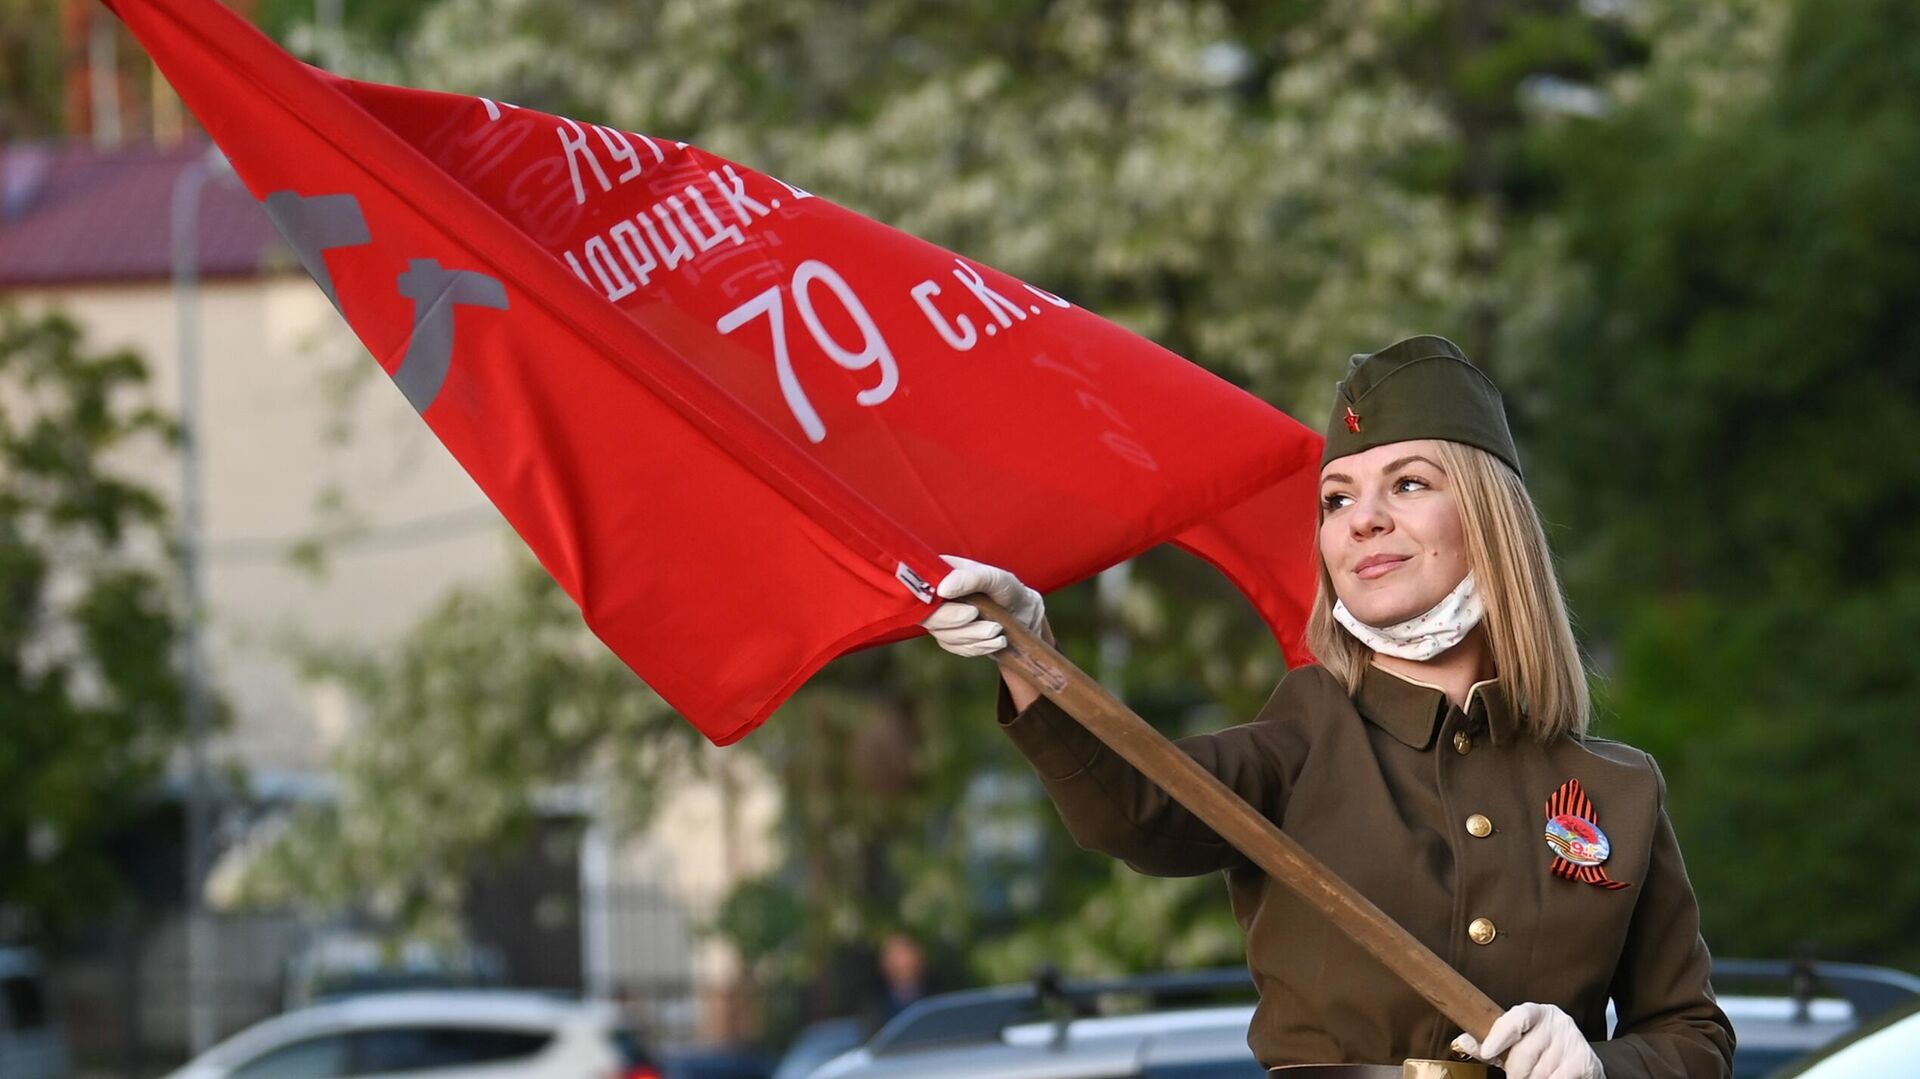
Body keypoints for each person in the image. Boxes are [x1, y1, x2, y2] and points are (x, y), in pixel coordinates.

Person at [920, 336, 1734, 1079]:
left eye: (1409, 483)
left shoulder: (1620, 788)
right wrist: (1030, 654)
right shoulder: (1304, 732)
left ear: (1494, 523)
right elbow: (1135, 809)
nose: (1363, 519)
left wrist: (1599, 1067)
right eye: (1336, 499)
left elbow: (1693, 1035)